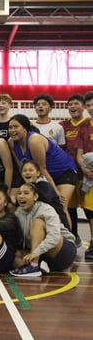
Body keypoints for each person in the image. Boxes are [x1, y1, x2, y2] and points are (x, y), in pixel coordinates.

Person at [8, 114, 77, 231]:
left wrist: (55, 192)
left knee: (60, 205)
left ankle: (70, 239)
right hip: (45, 174)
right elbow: (22, 167)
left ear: (25, 128)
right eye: (10, 127)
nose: (12, 130)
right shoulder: (11, 142)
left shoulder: (34, 140)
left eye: (16, 127)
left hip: (64, 171)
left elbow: (42, 168)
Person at [9, 183, 76, 277]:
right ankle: (41, 266)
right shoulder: (18, 212)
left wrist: (35, 253)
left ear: (35, 196)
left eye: (26, 193)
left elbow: (54, 237)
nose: (21, 196)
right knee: (15, 258)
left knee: (38, 222)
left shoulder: (46, 209)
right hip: (43, 254)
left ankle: (34, 266)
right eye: (19, 193)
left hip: (63, 250)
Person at [60, 94, 89, 247]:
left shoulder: (88, 124)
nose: (72, 106)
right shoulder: (63, 125)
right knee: (69, 207)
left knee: (88, 208)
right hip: (69, 174)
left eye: (76, 103)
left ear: (83, 107)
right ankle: (74, 235)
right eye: (70, 104)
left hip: (87, 173)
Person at [76, 91, 93, 259]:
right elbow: (79, 154)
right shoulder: (85, 127)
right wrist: (84, 169)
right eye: (88, 106)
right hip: (90, 176)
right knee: (90, 211)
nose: (91, 108)